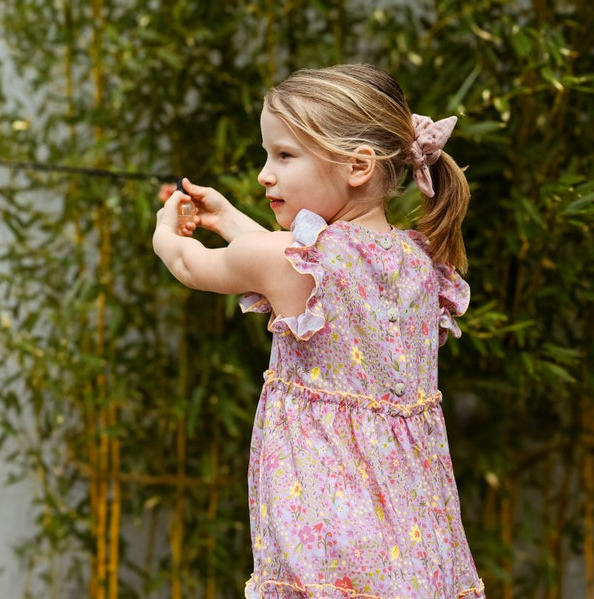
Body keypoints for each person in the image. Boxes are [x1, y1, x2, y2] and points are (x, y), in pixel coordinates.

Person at [153, 64, 484, 599]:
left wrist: (166, 231)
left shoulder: (289, 262)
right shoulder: (419, 263)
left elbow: (193, 266)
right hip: (412, 532)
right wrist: (232, 220)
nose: (265, 173)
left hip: (326, 525)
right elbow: (289, 261)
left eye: (284, 155)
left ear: (357, 165)